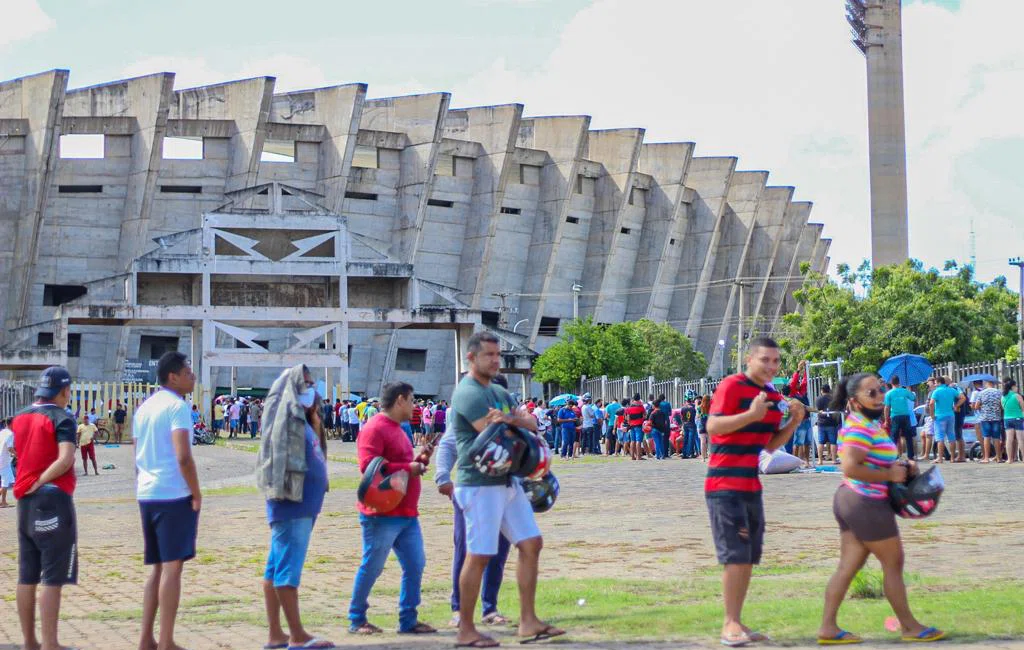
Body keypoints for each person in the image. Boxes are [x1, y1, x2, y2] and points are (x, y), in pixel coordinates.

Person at [451, 332, 564, 648]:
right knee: (480, 554)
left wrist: (510, 418)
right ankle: (465, 629)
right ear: (471, 358)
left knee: (531, 543)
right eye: (489, 355)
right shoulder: (467, 393)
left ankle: (528, 622)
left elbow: (529, 422)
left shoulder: (500, 391)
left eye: (497, 355)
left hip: (508, 481)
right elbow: (491, 436)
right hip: (479, 484)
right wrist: (512, 421)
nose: (496, 360)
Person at [818, 373, 944, 644]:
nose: (878, 397)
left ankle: (827, 628)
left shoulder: (867, 424)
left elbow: (873, 461)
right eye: (871, 393)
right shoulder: (859, 427)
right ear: (854, 401)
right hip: (865, 502)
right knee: (893, 563)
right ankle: (909, 626)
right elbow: (850, 466)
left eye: (880, 391)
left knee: (848, 567)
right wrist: (890, 475)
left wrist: (903, 466)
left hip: (853, 499)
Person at [705, 337, 805, 646]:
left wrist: (794, 421)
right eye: (765, 360)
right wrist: (751, 414)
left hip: (751, 485)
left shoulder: (773, 397)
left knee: (747, 556)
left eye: (776, 361)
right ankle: (729, 624)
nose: (771, 366)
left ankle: (737, 622)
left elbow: (769, 446)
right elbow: (713, 427)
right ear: (750, 360)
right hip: (724, 485)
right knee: (735, 554)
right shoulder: (732, 386)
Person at [348, 381, 436, 635]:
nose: (414, 406)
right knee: (373, 566)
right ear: (400, 400)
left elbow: (400, 463)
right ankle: (357, 618)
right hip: (382, 513)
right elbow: (369, 467)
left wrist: (421, 458)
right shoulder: (375, 427)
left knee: (415, 565)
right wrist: (410, 468)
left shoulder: (400, 428)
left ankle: (408, 619)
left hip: (406, 512)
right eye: (412, 400)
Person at [258, 366, 333, 649]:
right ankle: (297, 636)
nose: (312, 390)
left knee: (275, 569)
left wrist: (314, 420)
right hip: (292, 507)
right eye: (307, 385)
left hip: (302, 508)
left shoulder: (301, 421)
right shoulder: (285, 423)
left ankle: (276, 635)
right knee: (287, 573)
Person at [133, 351, 202, 650]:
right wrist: (196, 492)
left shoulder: (144, 408)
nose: (193, 376)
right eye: (188, 372)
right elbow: (183, 456)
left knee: (157, 568)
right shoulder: (177, 407)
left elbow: (136, 456)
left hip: (147, 492)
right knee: (173, 568)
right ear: (172, 377)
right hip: (173, 494)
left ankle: (146, 638)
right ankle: (166, 641)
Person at [435, 377, 513, 630]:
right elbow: (448, 445)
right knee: (466, 550)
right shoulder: (465, 413)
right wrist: (443, 476)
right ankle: (459, 609)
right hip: (471, 491)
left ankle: (489, 608)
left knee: (498, 551)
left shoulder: (509, 415)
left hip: (503, 491)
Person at [11, 366, 79, 650]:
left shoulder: (20, 417)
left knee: (27, 573)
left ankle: (30, 642)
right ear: (64, 391)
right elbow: (65, 459)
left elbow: (16, 451)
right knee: (52, 575)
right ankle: (51, 644)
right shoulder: (63, 418)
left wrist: (30, 479)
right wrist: (42, 480)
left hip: (24, 501)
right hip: (52, 499)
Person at [882, 377, 916, 459]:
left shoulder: (889, 393)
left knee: (894, 436)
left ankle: (894, 456)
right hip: (905, 416)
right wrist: (908, 390)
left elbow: (887, 407)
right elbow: (913, 398)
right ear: (899, 382)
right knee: (908, 437)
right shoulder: (904, 391)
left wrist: (886, 420)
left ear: (891, 382)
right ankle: (910, 456)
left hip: (895, 416)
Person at [927, 377, 958, 464]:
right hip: (950, 415)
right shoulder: (951, 390)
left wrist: (932, 415)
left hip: (939, 416)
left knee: (940, 438)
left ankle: (940, 458)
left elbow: (931, 403)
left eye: (936, 383)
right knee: (951, 437)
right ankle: (952, 458)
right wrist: (956, 406)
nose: (935, 384)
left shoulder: (936, 391)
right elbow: (962, 397)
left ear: (939, 383)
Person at [973, 379, 1003, 463]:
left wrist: (983, 408)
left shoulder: (981, 393)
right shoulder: (999, 392)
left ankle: (986, 457)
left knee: (986, 437)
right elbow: (1001, 405)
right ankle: (998, 457)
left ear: (986, 384)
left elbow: (976, 406)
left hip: (985, 418)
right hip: (996, 417)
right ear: (993, 384)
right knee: (996, 438)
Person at [815, 385, 841, 464]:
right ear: (829, 390)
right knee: (833, 442)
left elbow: (818, 408)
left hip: (821, 422)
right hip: (832, 422)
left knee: (821, 442)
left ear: (822, 390)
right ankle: (834, 459)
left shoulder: (818, 399)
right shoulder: (833, 398)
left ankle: (820, 460)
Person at [1002, 378, 1024, 463]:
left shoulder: (1003, 397)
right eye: (1016, 386)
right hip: (1018, 418)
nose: (1017, 388)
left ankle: (1009, 459)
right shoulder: (1017, 396)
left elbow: (1003, 408)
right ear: (1013, 386)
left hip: (1007, 419)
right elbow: (1023, 408)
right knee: (1020, 439)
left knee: (1009, 439)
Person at [624, 395, 646, 461]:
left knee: (632, 441)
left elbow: (627, 418)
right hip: (639, 425)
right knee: (638, 441)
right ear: (639, 399)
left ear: (633, 399)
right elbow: (645, 416)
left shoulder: (628, 408)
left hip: (631, 426)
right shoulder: (641, 407)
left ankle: (632, 456)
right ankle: (638, 457)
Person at [649, 396, 669, 460]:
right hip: (662, 430)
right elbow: (665, 422)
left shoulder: (653, 413)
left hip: (654, 429)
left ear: (654, 405)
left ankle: (657, 456)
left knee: (656, 443)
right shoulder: (662, 413)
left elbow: (650, 422)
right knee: (661, 442)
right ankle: (663, 455)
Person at [0, 419, 14, 507]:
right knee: (5, 480)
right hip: (4, 460)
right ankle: (3, 502)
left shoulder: (2, 432)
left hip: (3, 459)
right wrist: (17, 455)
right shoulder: (10, 434)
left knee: (8, 479)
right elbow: (9, 448)